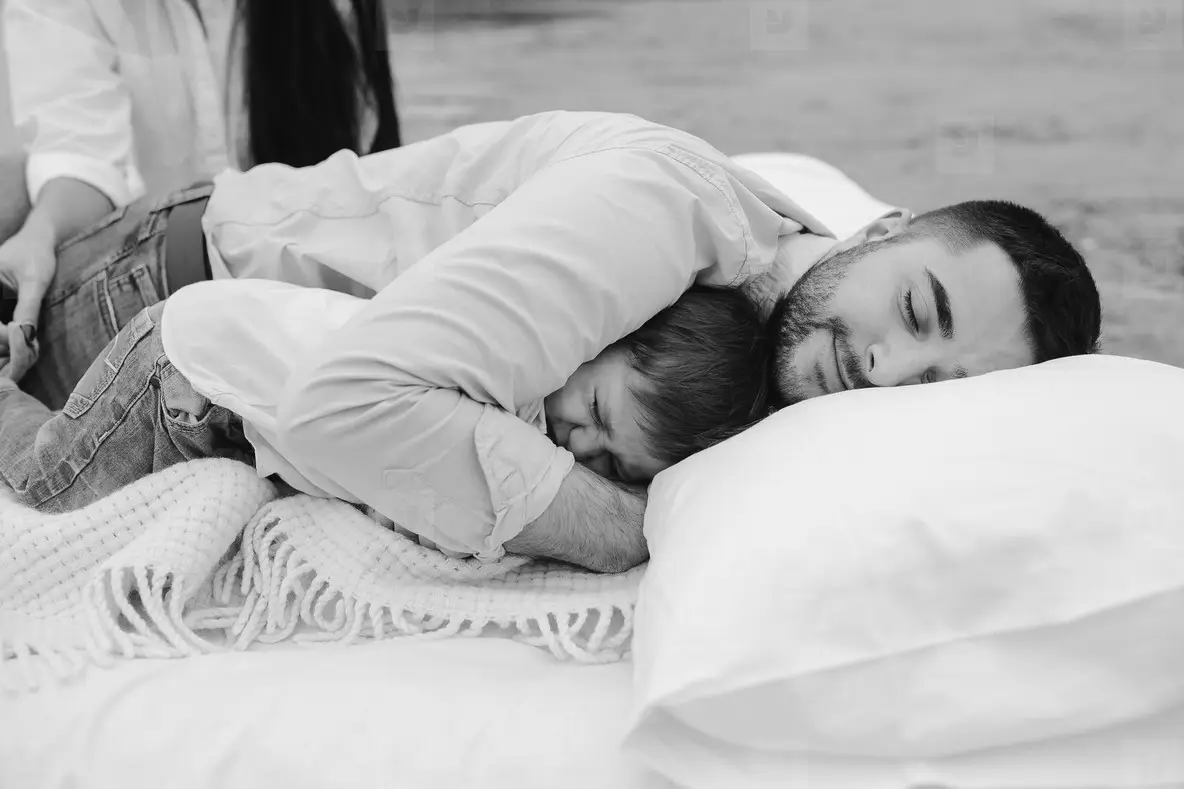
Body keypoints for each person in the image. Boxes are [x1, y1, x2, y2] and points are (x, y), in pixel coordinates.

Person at [0, 111, 1103, 572]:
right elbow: (353, 403)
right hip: (155, 300)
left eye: (938, 386)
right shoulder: (661, 209)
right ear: (883, 230)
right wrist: (635, 528)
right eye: (916, 313)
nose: (889, 372)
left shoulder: (764, 350)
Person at [0, 280, 771, 571]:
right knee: (45, 498)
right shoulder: (504, 376)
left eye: (613, 463)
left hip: (232, 403)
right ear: (602, 335)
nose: (582, 445)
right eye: (598, 411)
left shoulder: (535, 403)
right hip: (181, 373)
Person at [0, 0, 401, 368]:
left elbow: (361, 164)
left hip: (308, 271)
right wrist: (40, 234)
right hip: (161, 279)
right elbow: (84, 155)